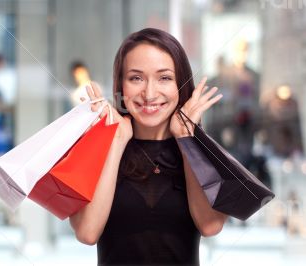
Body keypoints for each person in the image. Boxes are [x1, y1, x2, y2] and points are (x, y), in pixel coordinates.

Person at [69, 28, 228, 265]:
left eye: (164, 78)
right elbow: (87, 233)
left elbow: (210, 225)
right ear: (121, 86)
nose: (149, 93)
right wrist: (115, 141)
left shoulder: (202, 152)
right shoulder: (96, 146)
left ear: (180, 85)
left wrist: (186, 140)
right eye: (136, 78)